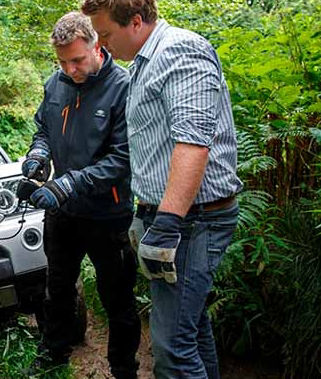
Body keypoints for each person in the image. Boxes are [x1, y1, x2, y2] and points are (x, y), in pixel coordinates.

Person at [81, 1, 244, 378]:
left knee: (171, 350)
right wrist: (146, 213)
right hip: (174, 216)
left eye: (105, 34)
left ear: (136, 22)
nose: (102, 45)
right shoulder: (143, 62)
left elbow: (192, 144)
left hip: (194, 220)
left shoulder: (180, 52)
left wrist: (167, 222)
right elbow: (153, 145)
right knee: (192, 329)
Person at [22, 11, 140, 378]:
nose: (70, 69)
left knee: (117, 297)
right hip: (63, 211)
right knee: (57, 288)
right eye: (62, 61)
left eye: (76, 60)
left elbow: (123, 158)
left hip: (109, 212)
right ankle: (55, 354)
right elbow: (43, 128)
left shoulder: (123, 87)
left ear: (97, 45)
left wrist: (69, 183)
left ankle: (124, 368)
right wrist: (38, 154)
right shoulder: (55, 84)